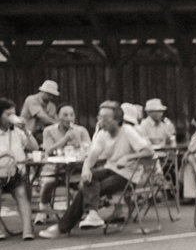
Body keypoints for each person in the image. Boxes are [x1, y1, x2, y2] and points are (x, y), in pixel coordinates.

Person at [39, 101, 153, 238]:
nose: (101, 121)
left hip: (128, 175)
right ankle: (91, 215)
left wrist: (129, 157)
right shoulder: (102, 134)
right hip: (111, 169)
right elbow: (92, 156)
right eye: (99, 117)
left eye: (105, 118)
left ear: (117, 120)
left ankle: (64, 226)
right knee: (90, 178)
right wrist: (86, 169)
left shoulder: (128, 131)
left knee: (84, 190)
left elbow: (148, 152)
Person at [36, 104, 90, 221]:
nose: (69, 118)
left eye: (71, 115)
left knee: (84, 183)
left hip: (76, 169)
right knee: (48, 182)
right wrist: (65, 139)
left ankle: (82, 210)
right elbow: (48, 150)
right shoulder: (49, 131)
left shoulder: (81, 130)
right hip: (54, 168)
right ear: (58, 117)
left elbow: (89, 151)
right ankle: (43, 209)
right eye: (65, 115)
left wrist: (78, 143)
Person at [0, 99, 38, 240]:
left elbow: (34, 148)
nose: (12, 117)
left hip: (15, 173)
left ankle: (27, 230)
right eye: (8, 114)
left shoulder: (17, 131)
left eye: (13, 114)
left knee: (21, 193)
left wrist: (26, 130)